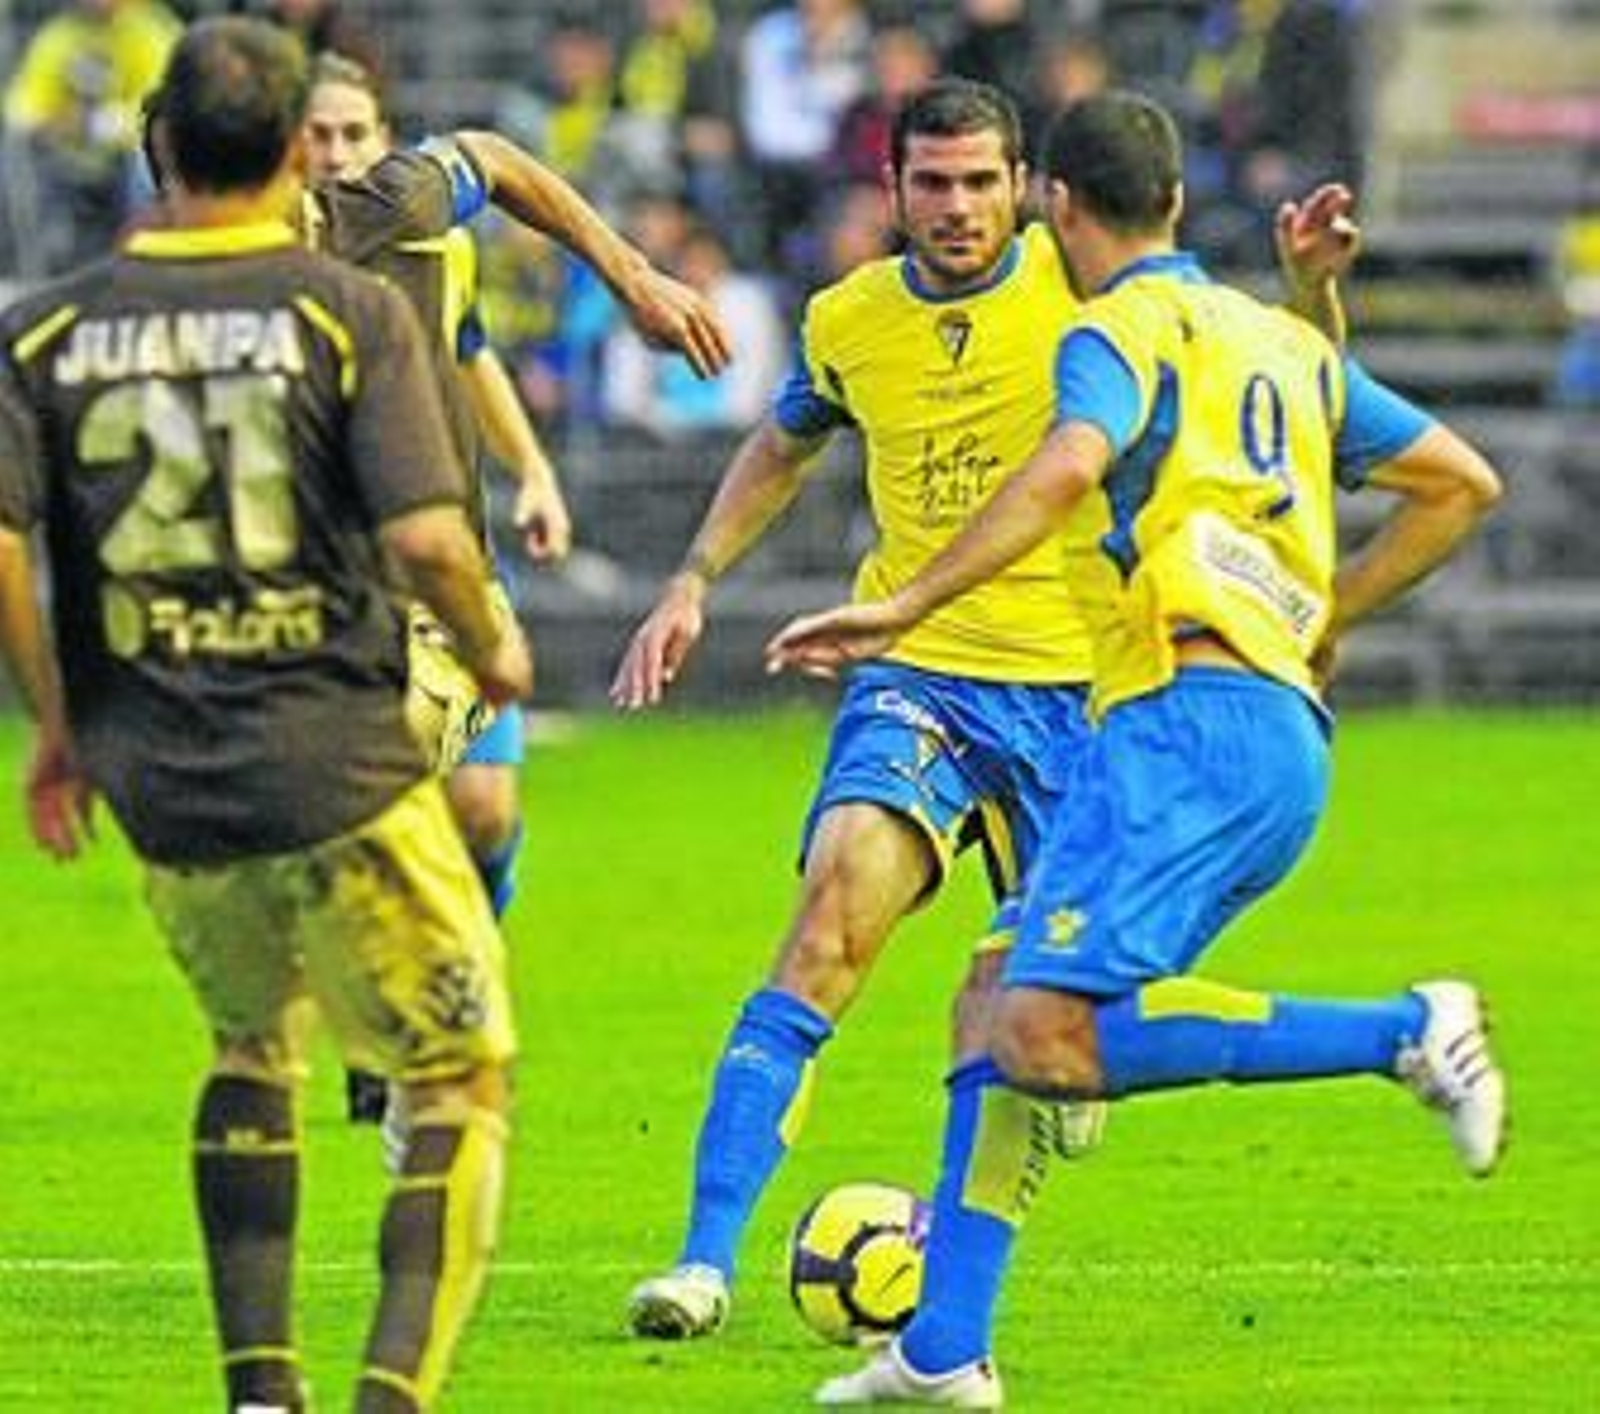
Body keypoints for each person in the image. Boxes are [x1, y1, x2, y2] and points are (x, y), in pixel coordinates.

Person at [765, 88, 1507, 1407]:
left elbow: (1068, 464)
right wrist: (1324, 611)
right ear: (1175, 196)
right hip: (1257, 726)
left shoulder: (1113, 330)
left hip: (1183, 722)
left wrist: (908, 598)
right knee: (992, 1004)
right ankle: (945, 1351)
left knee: (1047, 1033)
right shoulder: (1266, 332)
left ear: (1055, 202)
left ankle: (1410, 1029)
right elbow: (1458, 482)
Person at [612, 77, 1358, 1341]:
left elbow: (1282, 382)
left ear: (1025, 189)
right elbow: (785, 442)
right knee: (826, 924)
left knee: (1030, 1019)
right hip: (922, 676)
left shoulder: (1092, 295)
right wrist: (691, 576)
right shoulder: (849, 318)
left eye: (979, 184)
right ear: (891, 190)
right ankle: (700, 1261)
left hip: (1087, 691)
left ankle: (958, 1312)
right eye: (931, 184)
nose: (956, 209)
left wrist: (1308, 289)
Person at [0, 18, 533, 1412]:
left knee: (251, 1048)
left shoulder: (42, 331)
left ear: (156, 147)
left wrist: (59, 723)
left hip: (163, 779)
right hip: (335, 756)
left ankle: (258, 1392)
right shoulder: (340, 309)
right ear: (300, 150)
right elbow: (425, 537)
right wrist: (492, 643)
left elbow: (4, 545)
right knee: (463, 1072)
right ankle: (389, 1397)